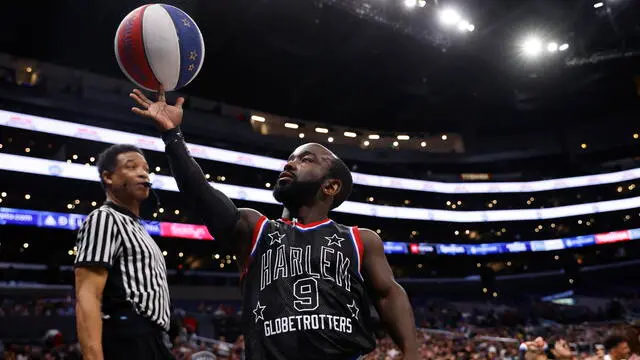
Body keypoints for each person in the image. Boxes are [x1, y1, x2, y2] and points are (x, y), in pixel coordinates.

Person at [129, 87, 418, 360]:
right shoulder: (255, 229)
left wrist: (411, 353)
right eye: (290, 159)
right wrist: (172, 135)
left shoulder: (361, 240)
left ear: (330, 187)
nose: (289, 164)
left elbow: (389, 293)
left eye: (305, 160)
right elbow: (201, 194)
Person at [74, 144, 173, 360]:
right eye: (132, 167)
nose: (143, 173)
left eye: (146, 169)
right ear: (108, 177)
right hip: (129, 337)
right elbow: (88, 294)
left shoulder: (137, 227)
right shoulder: (104, 218)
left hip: (153, 339)